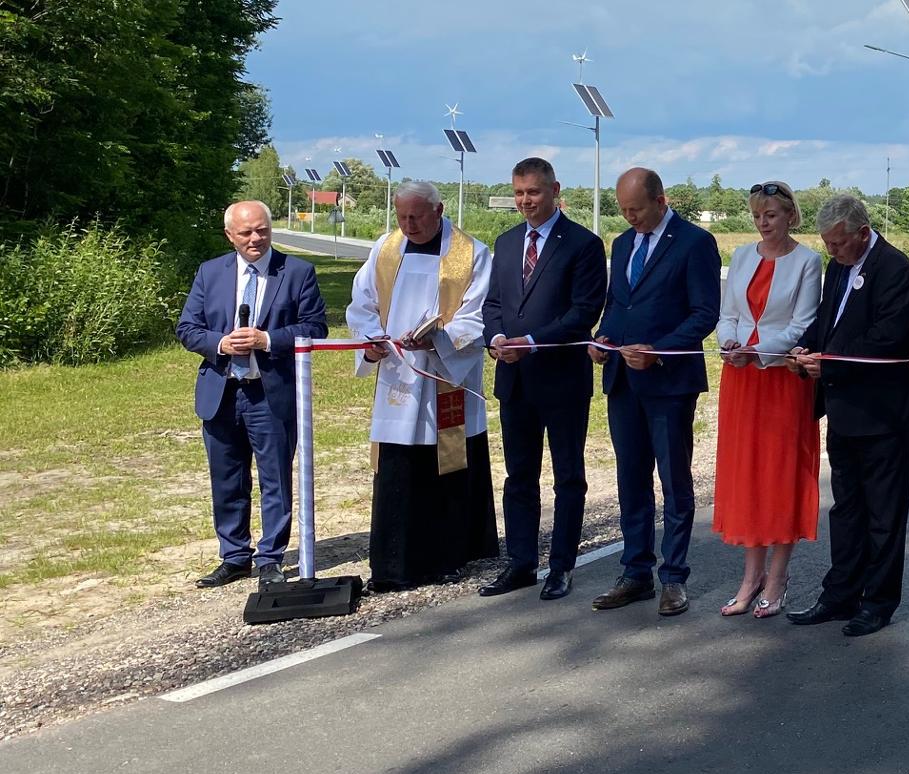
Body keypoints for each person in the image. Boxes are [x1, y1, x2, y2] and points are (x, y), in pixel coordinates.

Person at [344, 181, 498, 591]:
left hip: (445, 375)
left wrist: (440, 339)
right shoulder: (385, 249)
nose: (408, 224)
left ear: (439, 210)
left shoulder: (472, 254)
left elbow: (479, 315)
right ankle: (394, 562)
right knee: (397, 466)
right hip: (396, 371)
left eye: (416, 216)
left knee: (447, 460)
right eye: (402, 216)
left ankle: (450, 556)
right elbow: (361, 304)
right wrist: (372, 342)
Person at [784, 194, 909, 637]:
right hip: (844, 408)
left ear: (862, 232)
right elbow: (830, 320)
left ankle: (878, 601)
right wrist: (805, 347)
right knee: (846, 509)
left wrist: (829, 360)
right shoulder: (840, 265)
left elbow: (889, 337)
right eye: (827, 244)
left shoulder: (894, 268)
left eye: (839, 244)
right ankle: (840, 592)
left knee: (883, 514)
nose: (833, 252)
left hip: (883, 413)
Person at [587, 167, 720, 617]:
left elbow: (704, 315)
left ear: (661, 201)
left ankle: (674, 577)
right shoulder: (623, 243)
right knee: (631, 480)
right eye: (623, 211)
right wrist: (603, 339)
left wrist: (660, 352)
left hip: (668, 383)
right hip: (623, 381)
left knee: (674, 481)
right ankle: (635, 571)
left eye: (637, 210)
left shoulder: (694, 243)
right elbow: (617, 305)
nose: (630, 219)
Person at [177, 200, 328, 588]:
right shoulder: (210, 273)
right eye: (246, 233)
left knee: (274, 478)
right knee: (227, 479)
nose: (255, 239)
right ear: (230, 235)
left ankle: (270, 558)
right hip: (222, 392)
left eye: (261, 230)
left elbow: (315, 327)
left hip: (271, 392)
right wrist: (221, 344)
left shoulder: (297, 272)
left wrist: (267, 339)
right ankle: (234, 556)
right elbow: (187, 328)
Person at [478, 157, 608, 600]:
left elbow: (584, 312)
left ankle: (562, 565)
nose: (525, 201)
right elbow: (493, 304)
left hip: (562, 379)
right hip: (514, 379)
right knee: (519, 476)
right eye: (518, 193)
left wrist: (531, 341)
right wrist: (495, 337)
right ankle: (521, 562)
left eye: (533, 192)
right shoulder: (508, 242)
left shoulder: (583, 244)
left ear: (555, 190)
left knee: (567, 475)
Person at [713, 180, 823, 618]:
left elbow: (802, 324)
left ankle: (777, 576)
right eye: (758, 216)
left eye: (771, 215)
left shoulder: (807, 261)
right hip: (740, 380)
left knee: (779, 475)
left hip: (782, 380)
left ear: (791, 216)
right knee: (747, 475)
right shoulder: (740, 256)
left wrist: (759, 351)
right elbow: (728, 314)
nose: (763, 223)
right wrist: (729, 343)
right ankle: (749, 576)